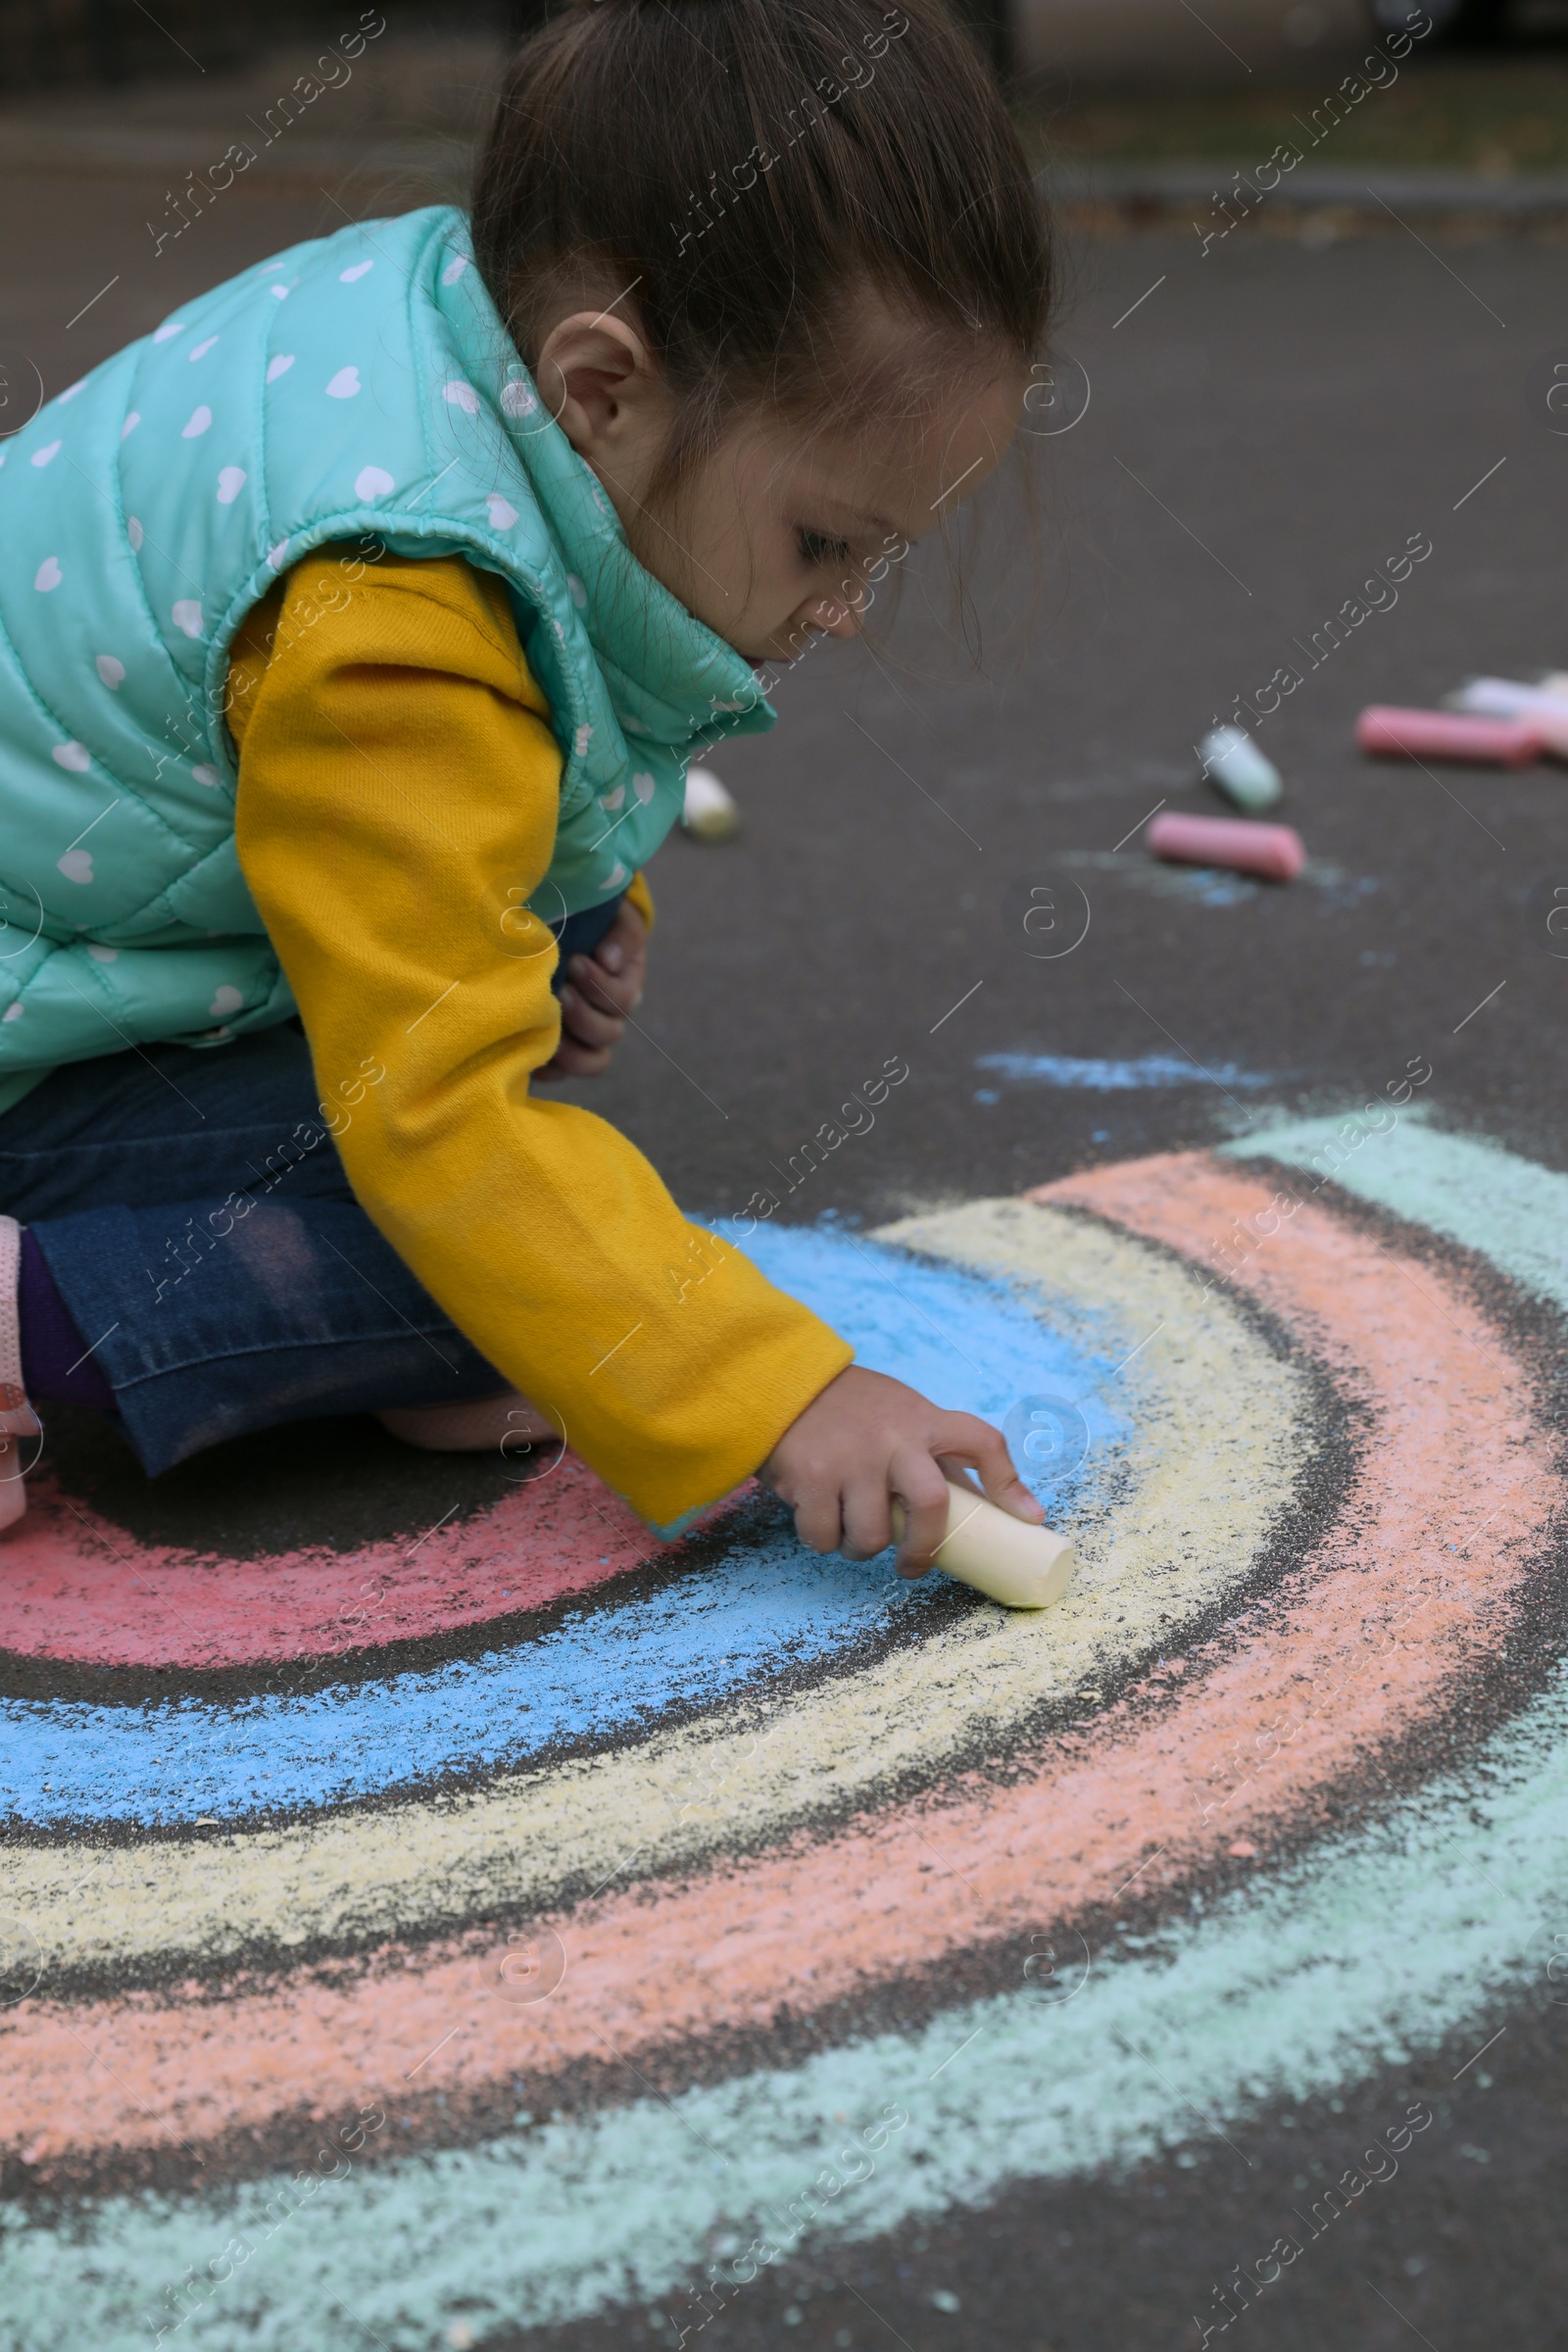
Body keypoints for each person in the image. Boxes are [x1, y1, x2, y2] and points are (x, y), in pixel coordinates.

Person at [0, 0, 1052, 1574]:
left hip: (81, 949)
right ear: (603, 389)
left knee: (545, 1158)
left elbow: (510, 748)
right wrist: (786, 1395)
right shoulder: (395, 610)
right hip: (34, 1027)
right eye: (828, 543)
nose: (844, 607)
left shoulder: (453, 327)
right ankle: (24, 1316)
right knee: (484, 1251)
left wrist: (580, 905)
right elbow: (428, 1112)